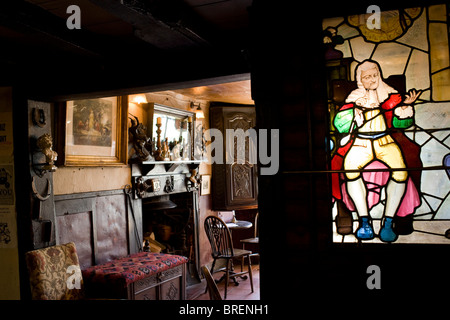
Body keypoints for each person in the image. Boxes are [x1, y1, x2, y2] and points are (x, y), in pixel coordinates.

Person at [333, 60, 421, 242]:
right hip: (360, 143)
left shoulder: (390, 96)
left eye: (374, 75)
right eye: (366, 77)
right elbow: (339, 125)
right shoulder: (354, 97)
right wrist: (355, 109)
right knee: (350, 170)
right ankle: (365, 222)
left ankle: (388, 223)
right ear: (360, 80)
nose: (371, 80)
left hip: (385, 141)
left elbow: (401, 124)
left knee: (401, 173)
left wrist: (404, 110)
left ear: (379, 76)